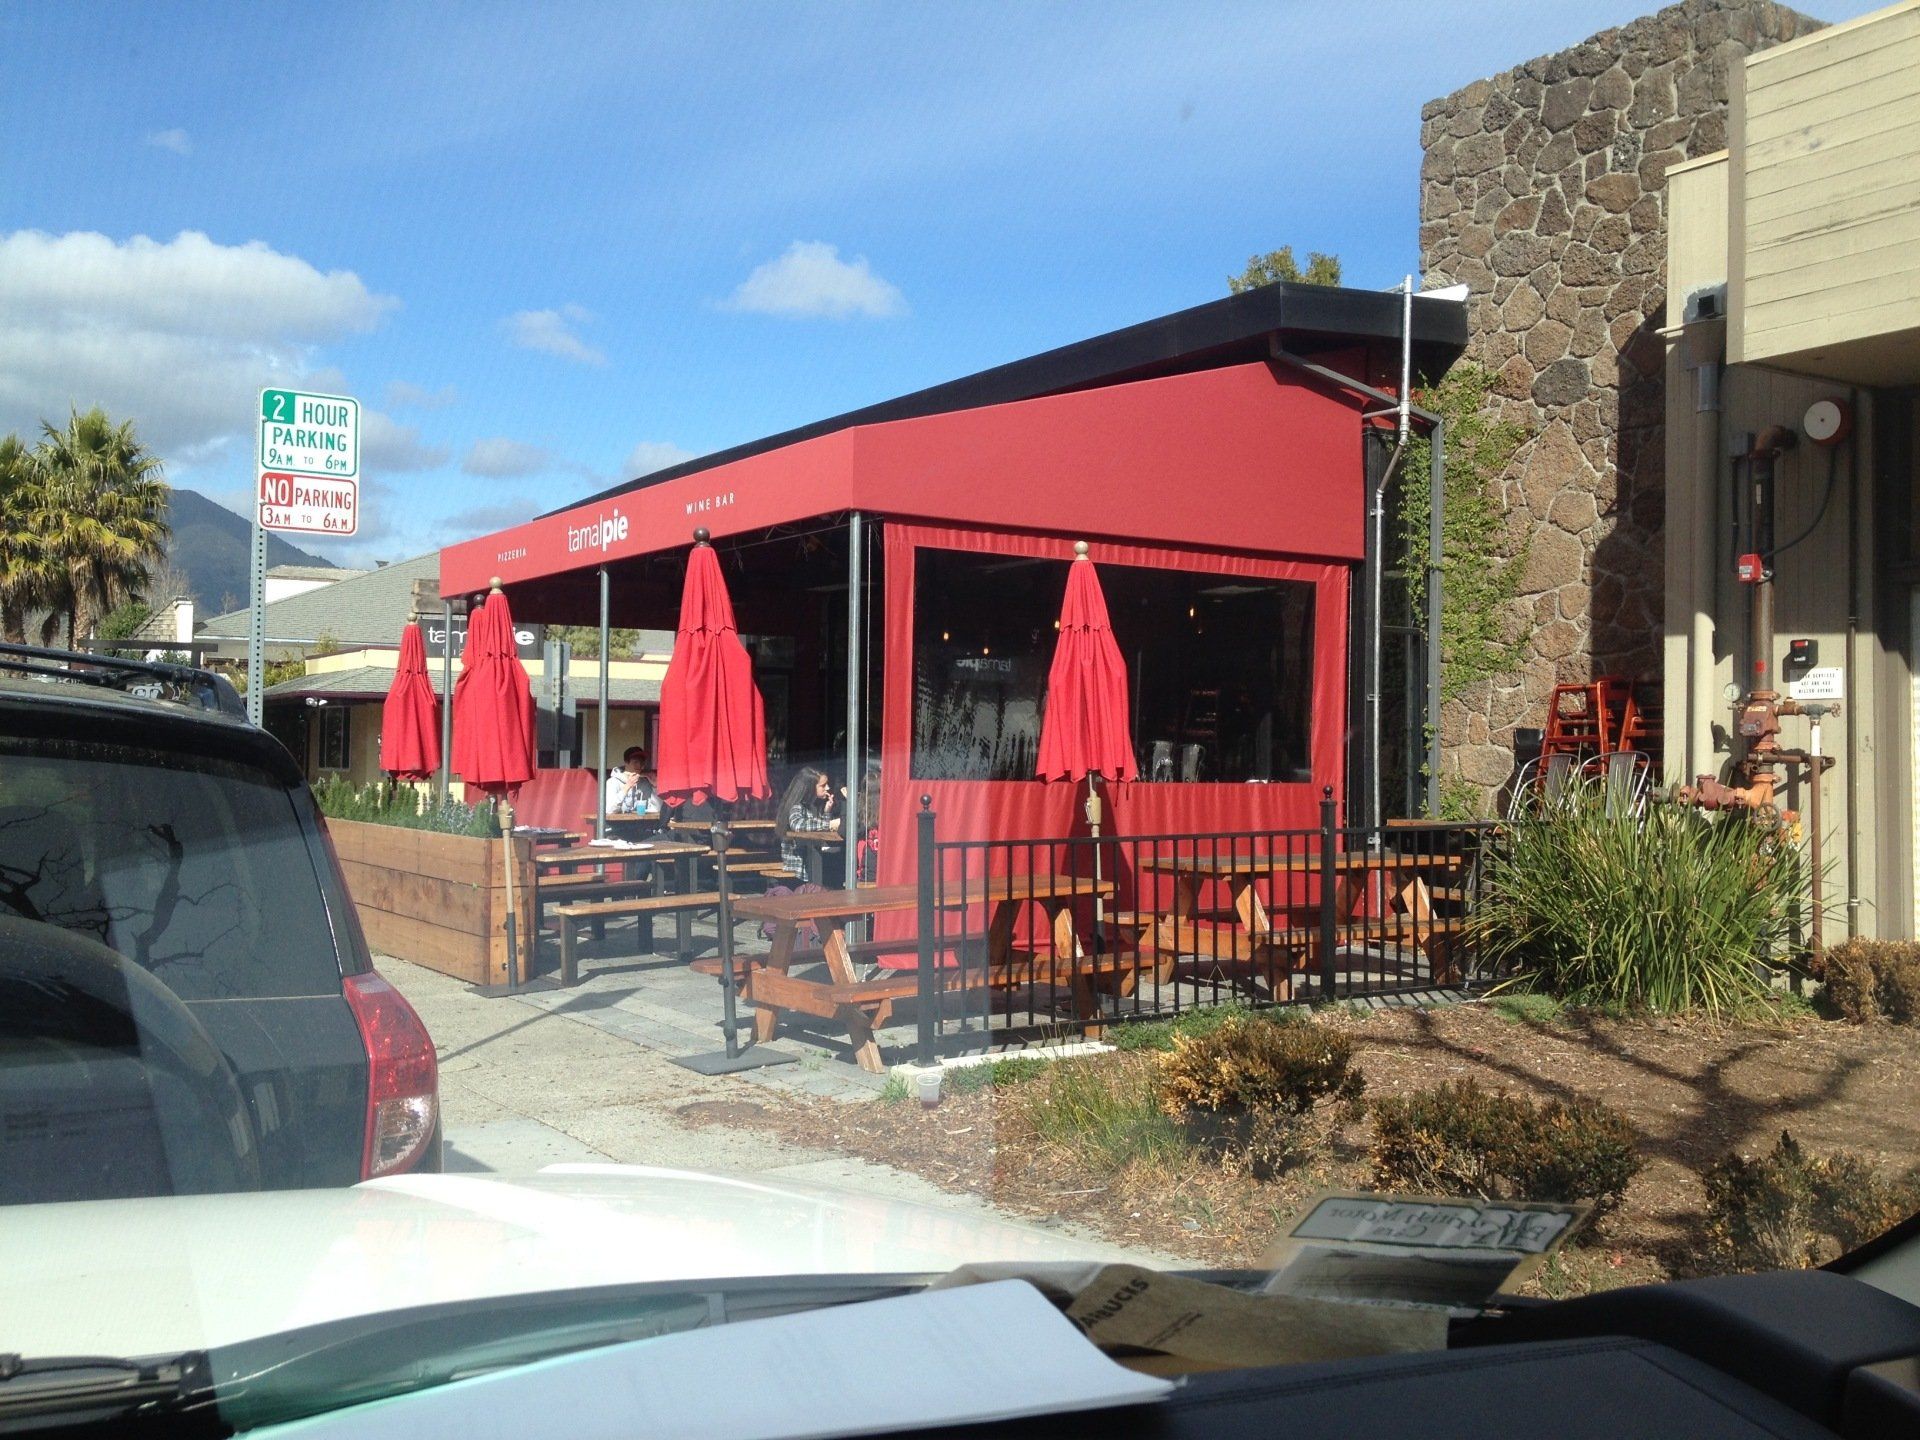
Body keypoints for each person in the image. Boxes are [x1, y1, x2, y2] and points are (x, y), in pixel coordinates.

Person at [777, 765, 840, 879]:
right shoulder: (797, 806)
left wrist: (827, 811)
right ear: (810, 787)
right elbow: (798, 824)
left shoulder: (812, 805)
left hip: (810, 859)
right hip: (799, 866)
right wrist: (829, 824)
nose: (827, 788)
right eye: (823, 785)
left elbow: (819, 829)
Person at [604, 746, 659, 817]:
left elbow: (657, 809)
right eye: (635, 762)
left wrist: (655, 787)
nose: (639, 765)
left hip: (641, 825)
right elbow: (609, 810)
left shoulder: (645, 782)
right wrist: (626, 788)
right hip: (616, 826)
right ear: (626, 762)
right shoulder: (612, 782)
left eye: (642, 762)